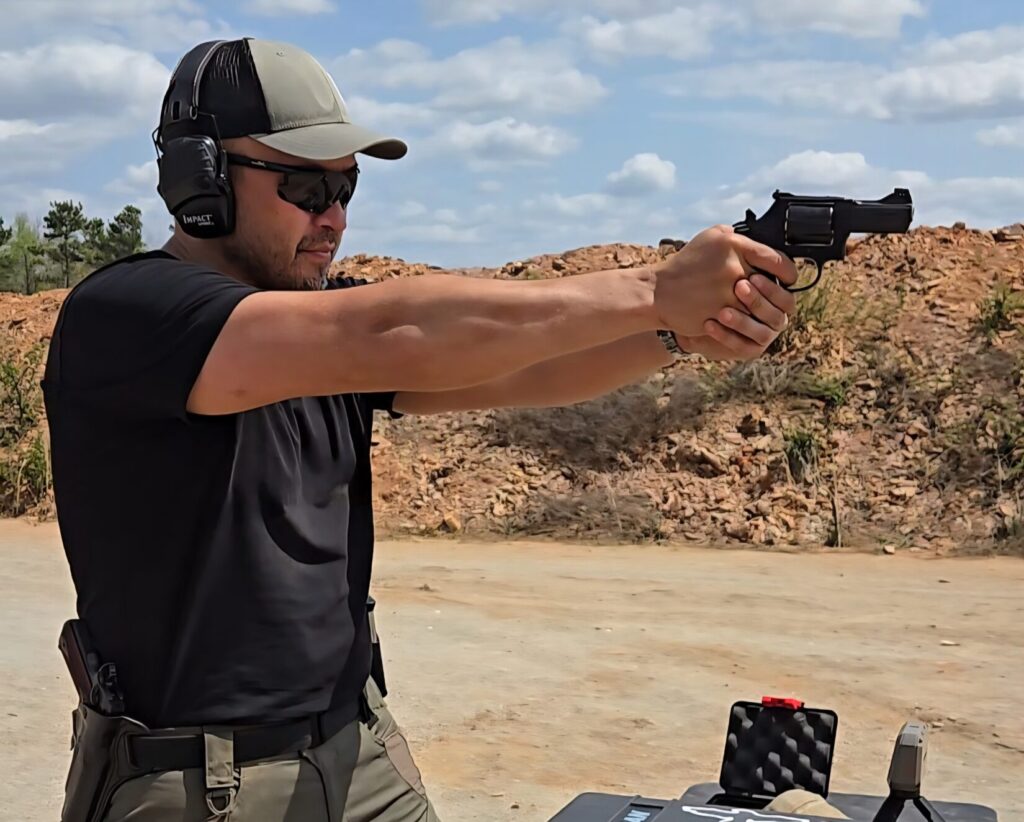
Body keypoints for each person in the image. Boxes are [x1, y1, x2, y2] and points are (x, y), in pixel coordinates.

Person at [42, 37, 810, 822]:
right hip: (199, 784)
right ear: (200, 179)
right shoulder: (126, 315)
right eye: (306, 185)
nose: (333, 215)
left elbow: (518, 369)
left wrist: (679, 334)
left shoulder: (321, 329)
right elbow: (384, 329)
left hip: (355, 750)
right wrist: (655, 288)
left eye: (346, 185)